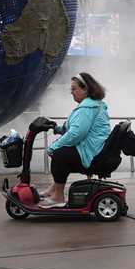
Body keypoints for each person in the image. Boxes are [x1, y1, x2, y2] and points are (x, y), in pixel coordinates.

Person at [40, 72, 110, 207]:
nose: (71, 92)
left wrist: (53, 147)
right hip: (94, 149)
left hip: (91, 153)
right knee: (64, 153)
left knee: (59, 155)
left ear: (85, 89)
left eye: (74, 89)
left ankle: (58, 197)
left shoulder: (87, 108)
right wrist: (57, 128)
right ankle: (53, 190)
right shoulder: (93, 105)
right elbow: (75, 128)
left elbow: (76, 134)